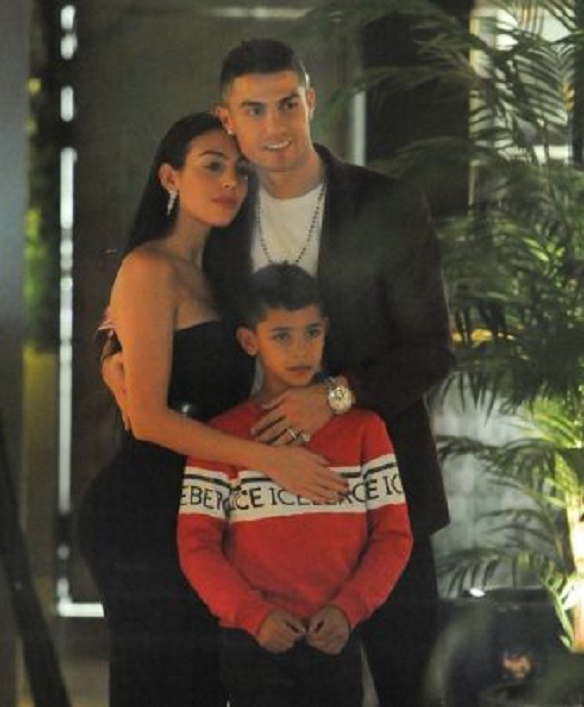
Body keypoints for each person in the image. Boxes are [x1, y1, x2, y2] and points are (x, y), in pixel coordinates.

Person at [201, 39, 455, 707]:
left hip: (384, 494)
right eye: (254, 110)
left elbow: (432, 348)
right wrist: (116, 344)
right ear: (227, 119)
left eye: (288, 104)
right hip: (259, 508)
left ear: (310, 101)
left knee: (410, 686)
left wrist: (335, 397)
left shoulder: (385, 204)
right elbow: (160, 282)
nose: (275, 126)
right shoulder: (217, 215)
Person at [78, 111, 347, 707]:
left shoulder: (223, 276)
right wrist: (269, 461)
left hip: (202, 510)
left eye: (241, 171)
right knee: (161, 686)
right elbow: (149, 419)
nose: (230, 181)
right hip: (145, 511)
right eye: (213, 166)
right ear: (170, 178)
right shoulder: (149, 268)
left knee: (204, 685)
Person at [178, 262, 413, 707]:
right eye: (281, 336)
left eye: (311, 333)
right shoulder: (220, 438)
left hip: (336, 636)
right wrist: (253, 615)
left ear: (326, 331)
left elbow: (394, 536)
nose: (301, 349)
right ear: (250, 341)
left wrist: (348, 609)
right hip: (253, 641)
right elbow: (196, 546)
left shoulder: (366, 431)